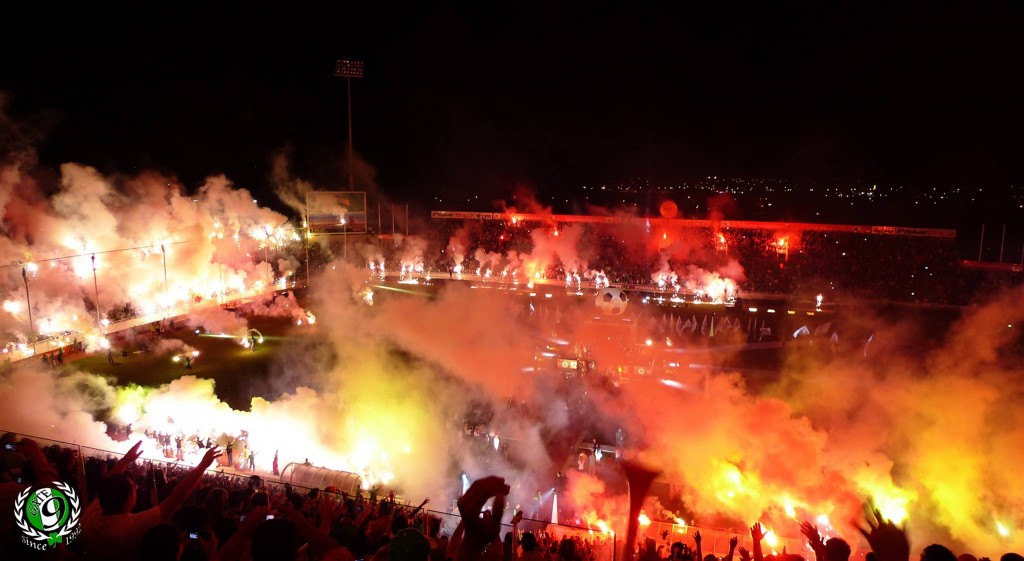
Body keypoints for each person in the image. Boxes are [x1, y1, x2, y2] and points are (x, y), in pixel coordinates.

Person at [79, 442, 222, 561]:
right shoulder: (131, 527)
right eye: (134, 487)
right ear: (129, 497)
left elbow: (106, 485)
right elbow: (177, 498)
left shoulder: (90, 514)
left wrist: (125, 460)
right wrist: (203, 465)